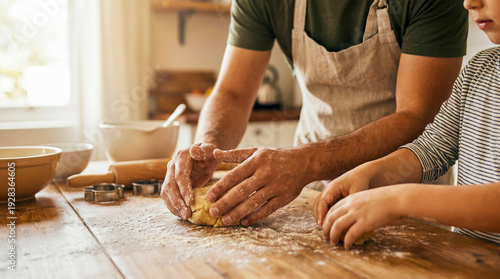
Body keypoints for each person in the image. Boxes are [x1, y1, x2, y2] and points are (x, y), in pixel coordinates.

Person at [160, 0, 468, 227]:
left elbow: (420, 117)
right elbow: (233, 93)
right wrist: (206, 148)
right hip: (305, 193)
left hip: (405, 191)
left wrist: (307, 161)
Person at [313, 0, 500, 249]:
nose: (469, 3)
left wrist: (399, 200)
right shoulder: (479, 70)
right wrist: (367, 174)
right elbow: (431, 150)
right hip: (474, 263)